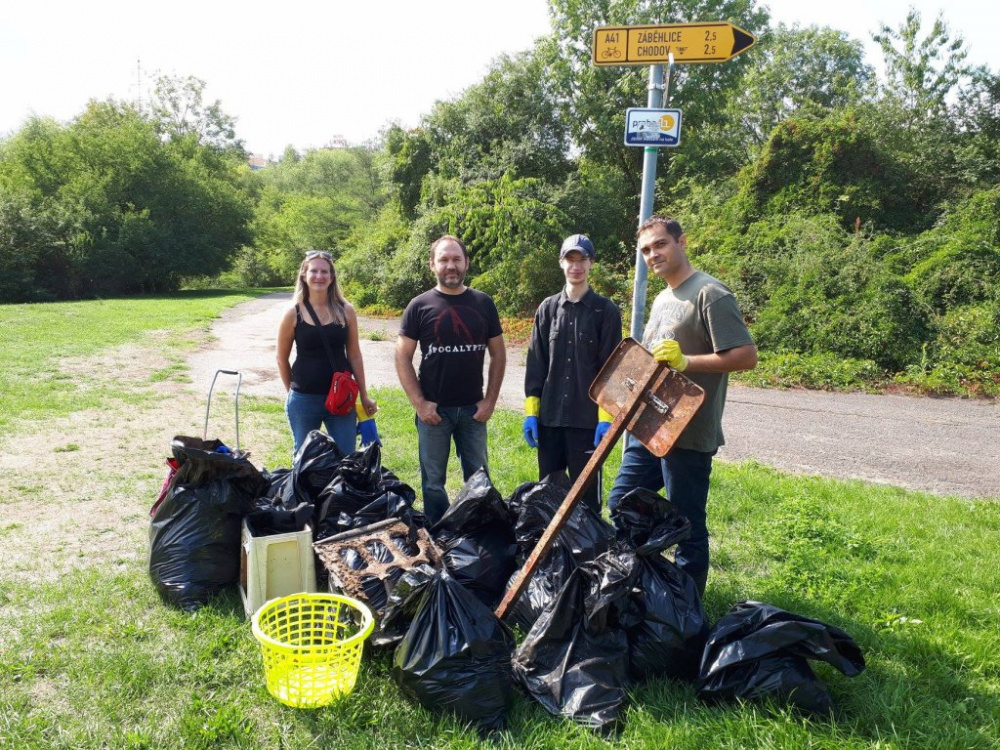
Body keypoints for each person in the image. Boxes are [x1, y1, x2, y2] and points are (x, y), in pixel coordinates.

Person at [608, 215, 757, 595]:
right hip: (649, 426)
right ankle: (642, 585)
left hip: (689, 432)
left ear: (681, 242)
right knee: (622, 503)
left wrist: (687, 362)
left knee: (688, 524)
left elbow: (745, 356)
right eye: (645, 250)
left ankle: (687, 608)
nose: (652, 254)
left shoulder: (710, 293)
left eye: (660, 244)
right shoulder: (662, 298)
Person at [395, 235, 506, 524]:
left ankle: (477, 530)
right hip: (434, 412)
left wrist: (490, 400)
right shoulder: (419, 306)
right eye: (444, 260)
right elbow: (401, 356)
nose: (451, 265)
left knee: (479, 477)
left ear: (467, 262)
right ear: (433, 265)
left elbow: (499, 354)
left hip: (473, 410)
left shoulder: (484, 303)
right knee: (433, 482)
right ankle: (439, 530)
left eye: (456, 259)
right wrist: (419, 403)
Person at [523, 233, 622, 512]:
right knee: (547, 495)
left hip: (588, 424)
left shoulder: (605, 311)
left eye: (582, 259)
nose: (576, 266)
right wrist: (532, 412)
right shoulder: (547, 308)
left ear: (591, 264)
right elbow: (536, 364)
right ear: (561, 263)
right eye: (570, 259)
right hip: (550, 421)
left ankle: (590, 553)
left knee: (587, 500)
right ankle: (553, 552)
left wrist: (605, 418)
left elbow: (611, 371)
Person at [276, 250, 379, 457]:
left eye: (325, 272)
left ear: (332, 277)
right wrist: (292, 393)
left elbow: (355, 355)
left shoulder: (345, 310)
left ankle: (340, 491)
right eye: (314, 271)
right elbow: (281, 358)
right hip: (304, 398)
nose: (319, 276)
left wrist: (365, 395)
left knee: (346, 456)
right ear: (304, 275)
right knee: (304, 459)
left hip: (341, 398)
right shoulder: (293, 313)